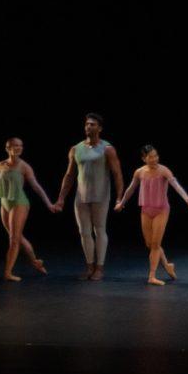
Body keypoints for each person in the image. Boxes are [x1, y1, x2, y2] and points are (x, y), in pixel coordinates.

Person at [53, 113, 124, 281]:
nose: (88, 127)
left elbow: (117, 174)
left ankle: (99, 267)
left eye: (92, 124)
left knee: (99, 230)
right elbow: (69, 175)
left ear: (100, 128)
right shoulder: (76, 149)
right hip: (81, 197)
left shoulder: (107, 149)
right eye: (87, 124)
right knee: (84, 232)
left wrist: (119, 197)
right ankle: (89, 266)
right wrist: (61, 198)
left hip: (101, 195)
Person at [0, 137, 56, 280]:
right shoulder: (1, 165)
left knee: (14, 239)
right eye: (15, 146)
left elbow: (36, 187)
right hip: (4, 204)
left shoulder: (24, 166)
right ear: (8, 148)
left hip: (19, 203)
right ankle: (35, 262)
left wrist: (48, 203)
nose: (19, 148)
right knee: (18, 238)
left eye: (21, 146)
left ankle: (7, 273)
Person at [114, 145, 188, 285]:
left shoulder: (164, 171)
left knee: (156, 244)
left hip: (161, 210)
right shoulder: (139, 172)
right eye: (150, 157)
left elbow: (176, 185)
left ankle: (152, 275)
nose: (154, 159)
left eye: (156, 155)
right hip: (146, 209)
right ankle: (167, 265)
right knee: (149, 244)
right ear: (144, 158)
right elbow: (131, 188)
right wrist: (121, 203)